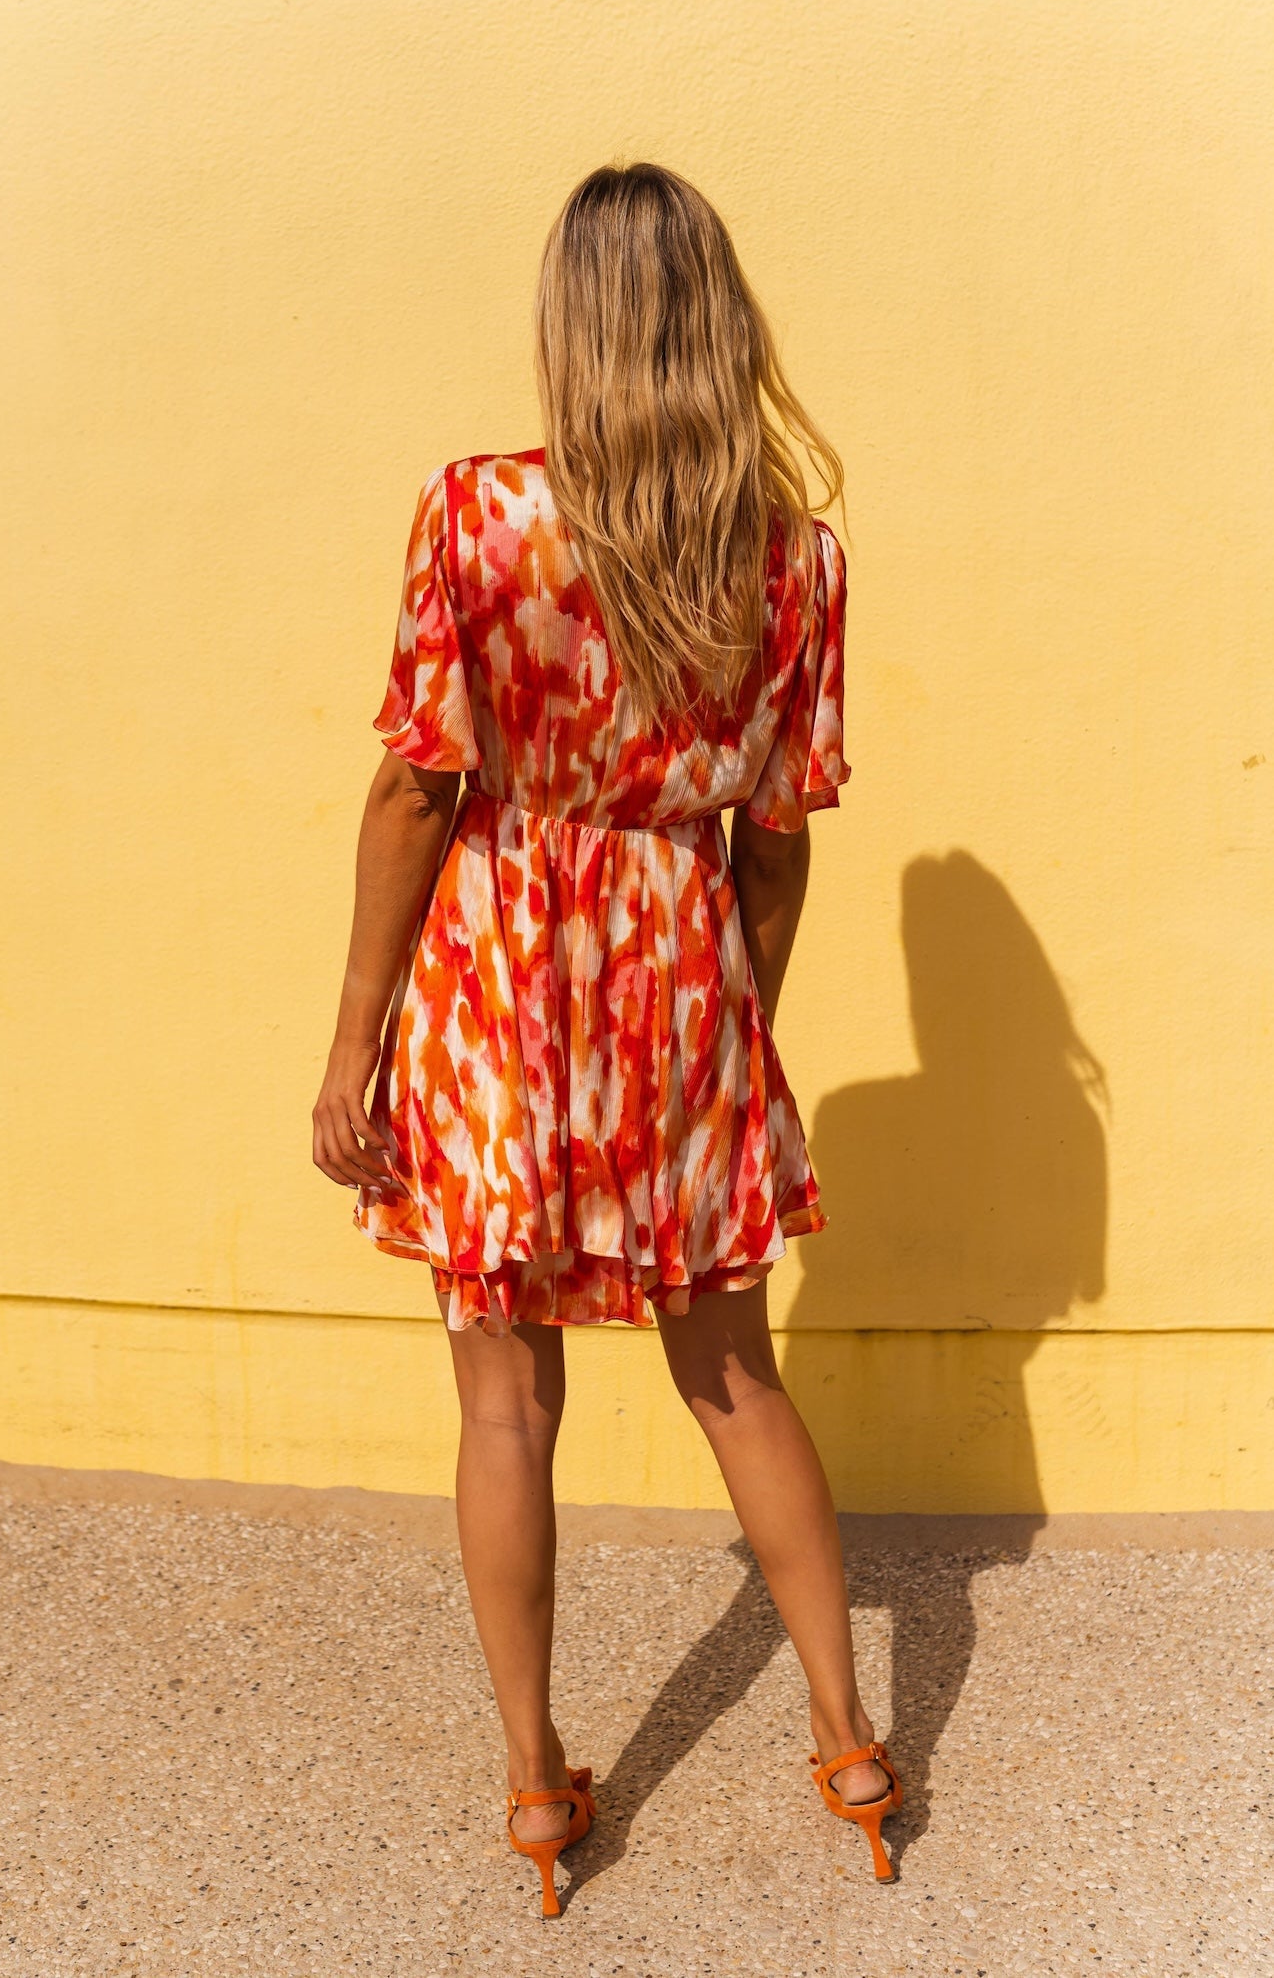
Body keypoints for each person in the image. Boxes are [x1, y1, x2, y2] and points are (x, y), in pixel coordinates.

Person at [312, 160, 902, 1915]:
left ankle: (533, 1792)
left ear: (567, 326)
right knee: (735, 1377)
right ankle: (851, 1740)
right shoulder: (792, 556)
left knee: (504, 1408)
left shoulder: (477, 516)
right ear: (720, 325)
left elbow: (420, 795)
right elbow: (779, 830)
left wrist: (354, 1041)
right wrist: (729, 1026)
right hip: (681, 962)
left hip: (496, 977)